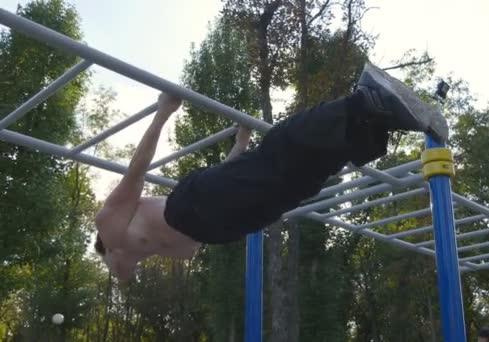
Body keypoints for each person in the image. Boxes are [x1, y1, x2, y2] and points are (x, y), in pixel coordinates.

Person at [94, 63, 448, 280]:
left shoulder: (110, 223)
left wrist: (163, 113)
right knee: (296, 185)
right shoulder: (125, 252)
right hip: (219, 227)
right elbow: (121, 271)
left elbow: (137, 171)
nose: (121, 270)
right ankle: (371, 123)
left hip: (195, 208)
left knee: (277, 158)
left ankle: (366, 109)